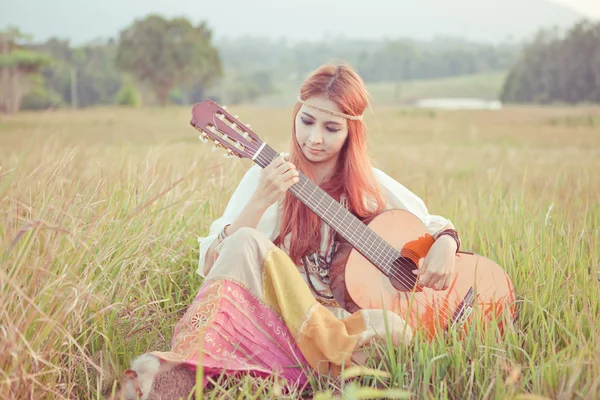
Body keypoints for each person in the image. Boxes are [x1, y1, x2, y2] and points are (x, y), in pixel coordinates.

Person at [141, 63, 461, 393]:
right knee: (245, 241)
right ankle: (193, 373)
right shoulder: (267, 175)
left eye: (331, 128)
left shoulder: (369, 186)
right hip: (285, 325)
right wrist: (262, 199)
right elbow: (213, 263)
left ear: (352, 132)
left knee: (394, 328)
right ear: (296, 113)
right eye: (306, 121)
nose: (314, 138)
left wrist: (445, 244)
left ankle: (301, 372)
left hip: (340, 332)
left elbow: (433, 226)